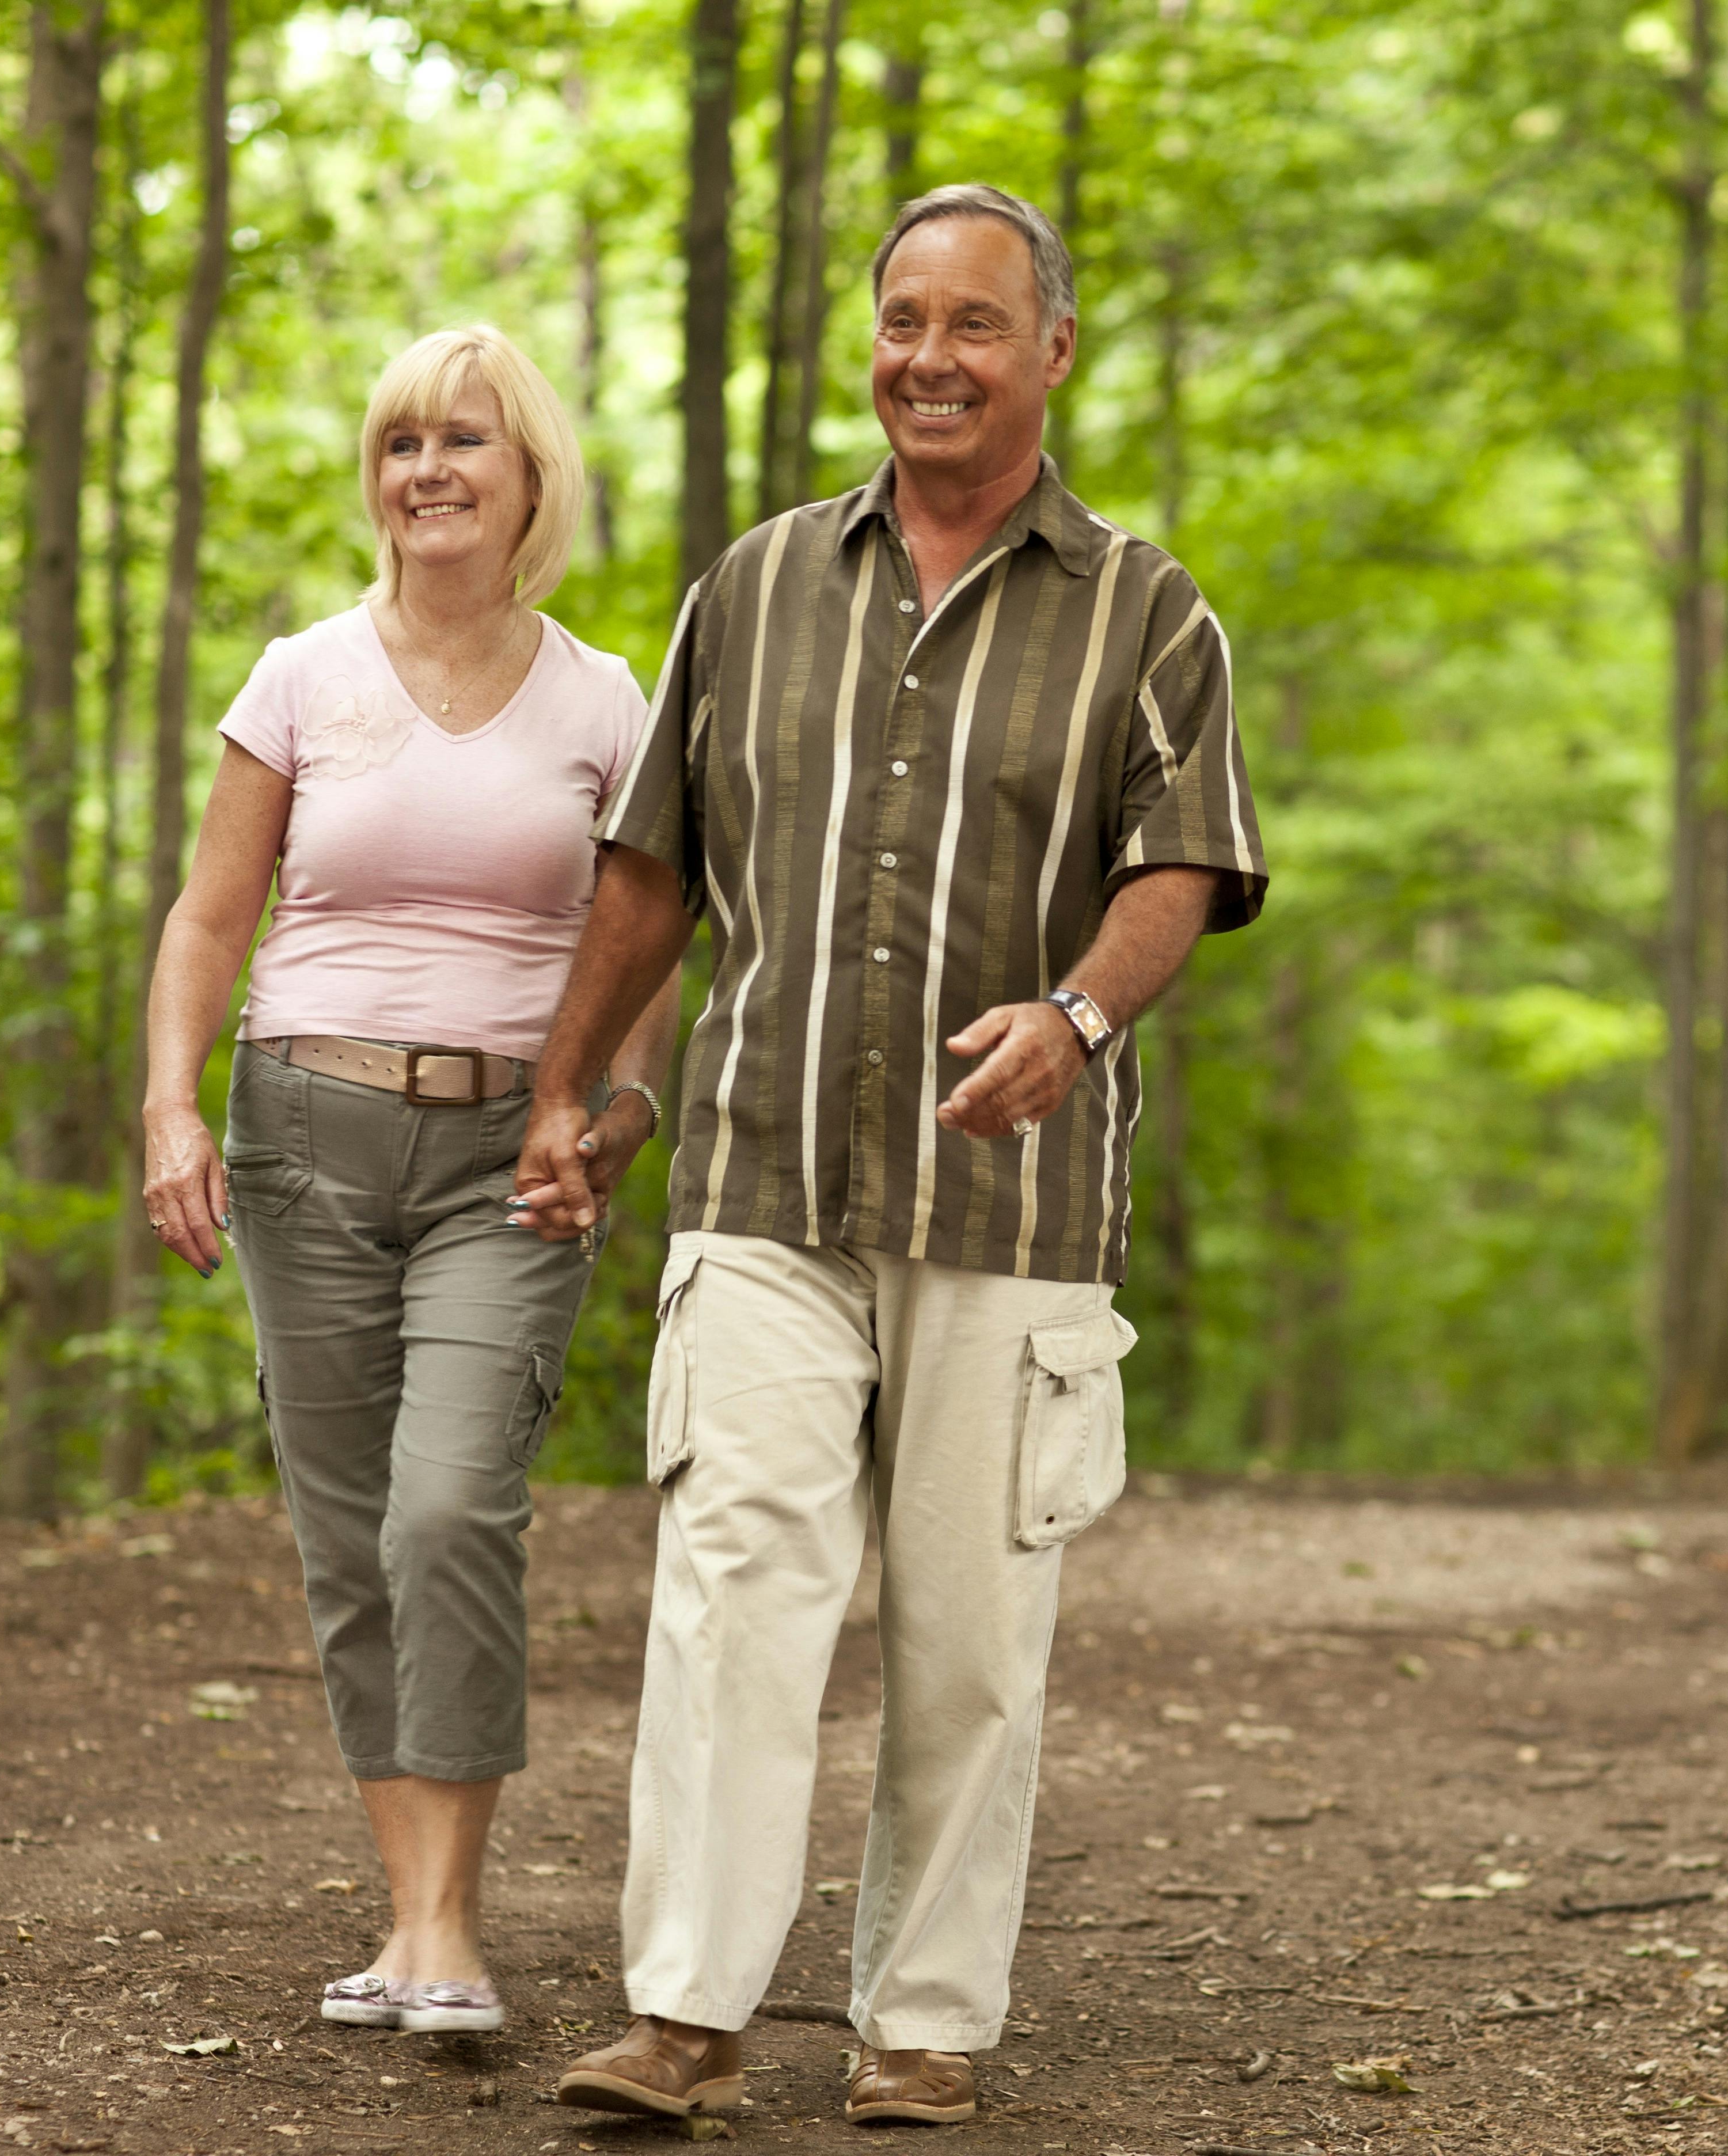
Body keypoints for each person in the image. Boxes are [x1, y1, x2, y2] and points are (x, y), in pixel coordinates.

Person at [518, 185, 1266, 2128]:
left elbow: (1180, 863)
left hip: (1007, 1206)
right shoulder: (753, 586)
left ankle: (924, 2018)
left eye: (977, 325)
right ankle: (686, 2015)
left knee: (971, 1631)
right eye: (904, 319)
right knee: (733, 1585)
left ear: (1054, 354)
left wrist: (1079, 1017)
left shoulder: (1146, 609)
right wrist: (567, 1084)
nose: (932, 357)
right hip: (763, 1178)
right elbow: (654, 863)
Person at [136, 322, 678, 2039]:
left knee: (450, 1507)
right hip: (304, 1138)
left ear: (531, 480)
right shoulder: (301, 673)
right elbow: (211, 915)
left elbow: (649, 938)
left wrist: (627, 1109)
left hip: (507, 1160)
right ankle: (415, 1922)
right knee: (348, 1537)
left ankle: (449, 1929)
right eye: (400, 444)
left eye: (465, 441)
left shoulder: (605, 698)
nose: (428, 469)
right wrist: (171, 1110)